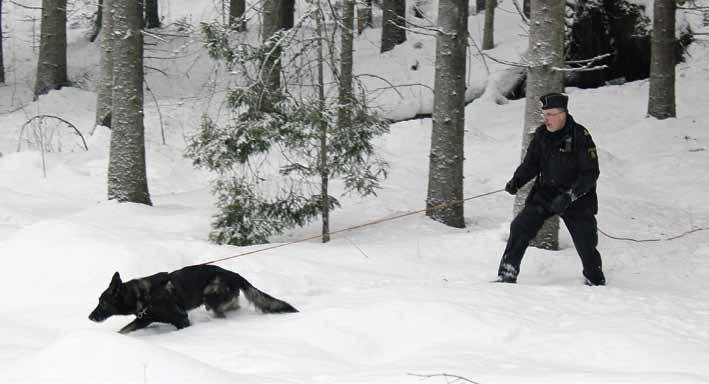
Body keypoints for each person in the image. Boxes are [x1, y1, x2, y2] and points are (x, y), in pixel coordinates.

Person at [496, 92, 606, 286]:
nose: (546, 119)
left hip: (577, 198)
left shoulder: (580, 135)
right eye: (544, 114)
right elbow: (531, 164)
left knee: (586, 243)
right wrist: (517, 180)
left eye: (551, 114)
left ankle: (594, 279)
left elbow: (591, 173)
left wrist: (570, 195)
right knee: (520, 227)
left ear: (563, 114)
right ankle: (507, 274)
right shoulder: (541, 135)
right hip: (546, 193)